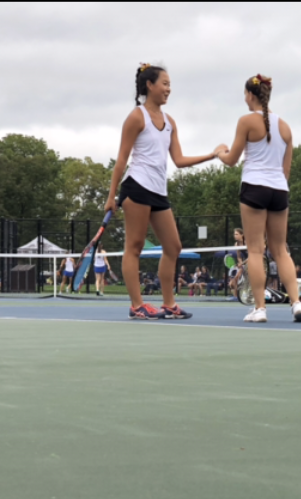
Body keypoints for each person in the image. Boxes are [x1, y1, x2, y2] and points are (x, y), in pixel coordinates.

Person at [103, 63, 226, 320]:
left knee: (173, 246)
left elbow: (178, 160)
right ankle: (137, 305)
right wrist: (110, 196)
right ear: (150, 85)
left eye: (170, 85)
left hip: (158, 191)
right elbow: (121, 159)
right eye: (165, 84)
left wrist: (212, 155)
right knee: (134, 247)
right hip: (136, 186)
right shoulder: (136, 117)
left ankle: (169, 304)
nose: (169, 89)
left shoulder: (170, 122)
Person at [216, 74, 301, 323]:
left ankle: (260, 308)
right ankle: (297, 304)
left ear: (250, 95)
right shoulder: (286, 127)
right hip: (279, 191)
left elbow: (232, 159)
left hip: (254, 188)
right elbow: (285, 172)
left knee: (255, 251)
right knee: (280, 250)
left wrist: (219, 152)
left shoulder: (246, 121)